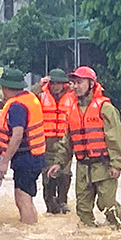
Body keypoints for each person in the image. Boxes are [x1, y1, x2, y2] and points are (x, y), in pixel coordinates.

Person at [47, 66, 121, 230]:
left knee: (107, 205)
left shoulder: (105, 108)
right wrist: (59, 162)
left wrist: (117, 164)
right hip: (83, 168)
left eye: (80, 82)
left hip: (104, 166)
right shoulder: (72, 109)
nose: (76, 86)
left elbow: (115, 138)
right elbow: (67, 141)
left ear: (91, 84)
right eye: (74, 83)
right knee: (83, 210)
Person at [0, 68, 45, 225]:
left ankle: (27, 234)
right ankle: (33, 230)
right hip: (36, 155)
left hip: (26, 157)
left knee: (22, 198)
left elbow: (17, 135)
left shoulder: (16, 106)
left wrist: (4, 162)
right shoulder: (29, 98)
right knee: (27, 197)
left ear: (5, 88)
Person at [37, 68, 78, 214]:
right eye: (53, 83)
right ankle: (50, 205)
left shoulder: (73, 96)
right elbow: (26, 98)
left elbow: (89, 96)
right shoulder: (41, 95)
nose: (56, 86)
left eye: (59, 83)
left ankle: (62, 202)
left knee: (65, 173)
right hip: (46, 142)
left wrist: (75, 87)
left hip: (65, 141)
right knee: (47, 175)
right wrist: (38, 84)